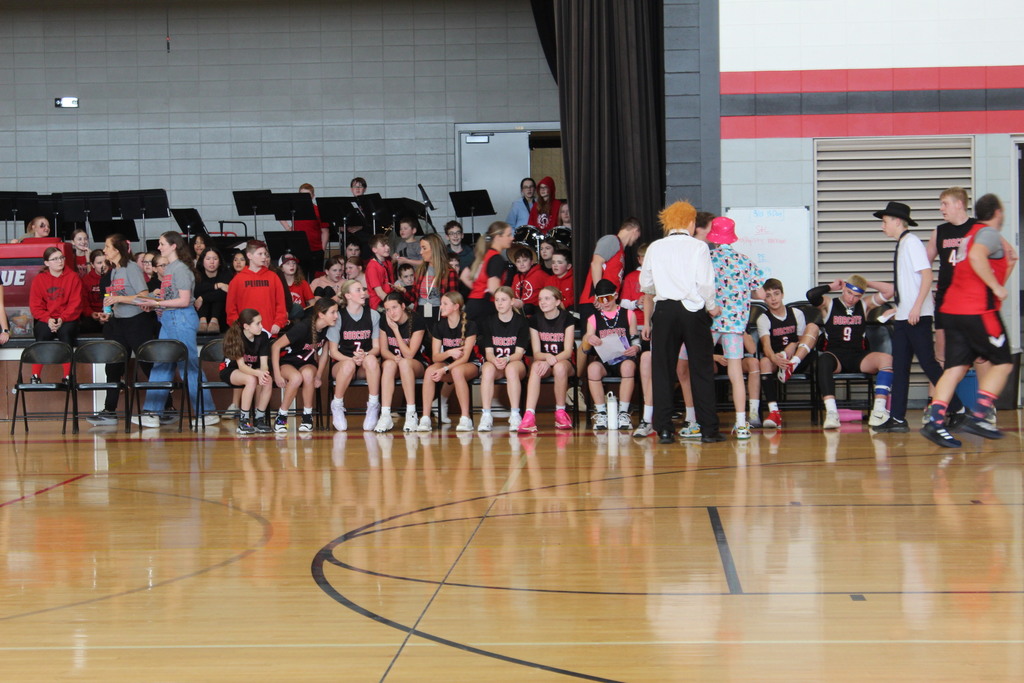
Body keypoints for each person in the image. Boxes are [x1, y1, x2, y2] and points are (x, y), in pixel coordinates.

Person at [921, 193, 1017, 447]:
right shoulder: (988, 233)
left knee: (955, 368)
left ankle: (935, 420)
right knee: (1004, 362)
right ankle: (981, 414)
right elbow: (979, 257)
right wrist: (997, 286)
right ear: (998, 213)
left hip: (951, 309)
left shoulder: (967, 235)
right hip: (976, 309)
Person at [639, 200, 724, 444]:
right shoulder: (698, 247)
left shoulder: (655, 247)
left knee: (663, 370)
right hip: (694, 310)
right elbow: (706, 284)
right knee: (702, 370)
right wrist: (711, 307)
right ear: (689, 222)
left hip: (664, 310)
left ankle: (664, 429)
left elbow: (646, 284)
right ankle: (708, 429)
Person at [871, 202, 947, 433]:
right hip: (906, 316)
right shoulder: (903, 244)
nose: (883, 226)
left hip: (917, 316)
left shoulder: (911, 242)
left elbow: (926, 275)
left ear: (896, 221)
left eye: (884, 221)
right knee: (901, 366)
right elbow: (908, 284)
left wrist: (915, 308)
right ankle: (898, 418)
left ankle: (957, 408)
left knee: (929, 364)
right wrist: (900, 309)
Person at [136, 232, 219, 428]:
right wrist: (155, 304)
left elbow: (183, 301)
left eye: (162, 243)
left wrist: (157, 302)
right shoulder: (172, 269)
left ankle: (207, 412)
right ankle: (152, 412)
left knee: (188, 366)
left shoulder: (180, 269)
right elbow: (172, 298)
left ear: (174, 246)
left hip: (180, 318)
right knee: (162, 364)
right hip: (168, 318)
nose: (159, 247)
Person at [86, 234, 158, 426]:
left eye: (107, 247)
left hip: (137, 322)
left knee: (147, 364)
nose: (105, 250)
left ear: (117, 250)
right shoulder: (114, 270)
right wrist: (107, 312)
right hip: (118, 322)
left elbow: (143, 296)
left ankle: (165, 407)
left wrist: (118, 299)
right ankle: (109, 410)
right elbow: (114, 296)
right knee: (114, 365)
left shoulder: (131, 268)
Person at [805, 275, 893, 430]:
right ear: (844, 289)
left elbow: (890, 290)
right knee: (823, 361)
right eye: (849, 293)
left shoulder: (865, 305)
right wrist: (831, 287)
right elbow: (811, 295)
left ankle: (878, 410)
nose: (852, 298)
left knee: (887, 359)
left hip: (859, 357)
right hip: (836, 356)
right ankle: (832, 412)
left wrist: (866, 282)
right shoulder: (830, 304)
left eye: (857, 296)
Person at [704, 216, 765, 439]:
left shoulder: (707, 259)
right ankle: (741, 424)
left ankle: (697, 419)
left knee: (700, 369)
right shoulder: (745, 261)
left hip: (709, 322)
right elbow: (760, 293)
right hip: (735, 323)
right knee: (736, 373)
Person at [755, 278, 819, 430]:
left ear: (782, 294)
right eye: (769, 295)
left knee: (812, 327)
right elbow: (766, 346)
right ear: (764, 299)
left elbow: (802, 339)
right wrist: (775, 358)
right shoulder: (763, 318)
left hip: (798, 358)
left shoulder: (796, 313)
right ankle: (774, 412)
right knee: (764, 362)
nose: (773, 298)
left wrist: (792, 347)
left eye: (776, 294)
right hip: (779, 360)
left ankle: (792, 364)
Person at [270, 297, 338, 433]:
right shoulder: (303, 327)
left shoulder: (328, 329)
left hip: (307, 363)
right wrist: (276, 374)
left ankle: (307, 416)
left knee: (307, 375)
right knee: (296, 378)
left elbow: (325, 355)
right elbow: (276, 346)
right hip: (288, 362)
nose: (336, 316)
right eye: (333, 312)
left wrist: (318, 376)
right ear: (321, 315)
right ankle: (282, 415)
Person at [927, 186, 977, 365]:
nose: (941, 208)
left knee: (978, 353)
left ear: (959, 204)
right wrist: (926, 291)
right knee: (941, 353)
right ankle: (938, 394)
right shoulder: (939, 232)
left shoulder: (979, 229)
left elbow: (1007, 255)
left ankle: (981, 393)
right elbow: (923, 265)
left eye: (945, 204)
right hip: (946, 298)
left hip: (972, 298)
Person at [418, 291, 479, 432]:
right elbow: (435, 357)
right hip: (448, 365)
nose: (441, 307)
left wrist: (445, 369)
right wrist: (449, 353)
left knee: (457, 371)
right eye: (441, 304)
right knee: (429, 371)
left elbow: (464, 357)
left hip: (469, 365)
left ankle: (466, 418)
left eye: (445, 304)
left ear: (456, 306)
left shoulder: (470, 325)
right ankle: (425, 418)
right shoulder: (439, 326)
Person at [518, 286, 576, 432]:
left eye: (547, 298)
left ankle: (560, 412)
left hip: (563, 362)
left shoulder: (567, 318)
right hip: (544, 362)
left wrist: (553, 359)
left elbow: (568, 351)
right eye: (540, 299)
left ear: (557, 302)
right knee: (536, 366)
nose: (542, 302)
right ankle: (529, 415)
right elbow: (537, 352)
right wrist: (546, 358)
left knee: (559, 367)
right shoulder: (535, 320)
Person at [585, 279, 640, 430]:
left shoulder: (628, 314)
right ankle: (601, 412)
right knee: (592, 369)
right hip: (605, 359)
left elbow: (635, 337)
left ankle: (623, 412)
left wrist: (636, 347)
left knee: (629, 367)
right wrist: (590, 338)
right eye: (601, 299)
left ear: (615, 295)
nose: (605, 302)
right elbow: (586, 341)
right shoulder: (593, 318)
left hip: (624, 358)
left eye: (608, 298)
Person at [326, 280, 381, 432]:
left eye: (363, 289)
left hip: (364, 363)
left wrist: (366, 354)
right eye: (358, 290)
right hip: (343, 363)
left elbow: (377, 348)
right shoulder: (339, 317)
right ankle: (337, 405)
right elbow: (334, 352)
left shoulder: (373, 315)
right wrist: (351, 359)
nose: (363, 292)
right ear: (348, 295)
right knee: (349, 365)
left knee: (371, 359)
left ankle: (373, 405)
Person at [373, 292, 430, 432]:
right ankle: (385, 415)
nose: (391, 313)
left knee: (404, 363)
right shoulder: (383, 321)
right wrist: (393, 358)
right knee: (388, 364)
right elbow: (384, 350)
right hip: (396, 362)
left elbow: (409, 354)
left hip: (417, 364)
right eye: (388, 309)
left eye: (394, 307)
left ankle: (411, 413)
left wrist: (395, 330)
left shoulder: (416, 320)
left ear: (403, 306)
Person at [477, 286, 530, 431]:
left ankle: (514, 415)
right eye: (497, 300)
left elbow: (519, 354)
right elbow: (488, 353)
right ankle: (486, 415)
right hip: (497, 363)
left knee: (512, 369)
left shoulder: (521, 322)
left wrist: (506, 360)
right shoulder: (488, 321)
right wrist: (495, 360)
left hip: (514, 362)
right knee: (487, 368)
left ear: (512, 301)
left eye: (504, 300)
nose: (500, 303)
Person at [28, 246, 83, 381]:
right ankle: (35, 376)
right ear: (47, 263)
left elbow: (75, 304)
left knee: (66, 334)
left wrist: (62, 319)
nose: (60, 261)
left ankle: (68, 376)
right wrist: (48, 319)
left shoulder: (73, 277)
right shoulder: (39, 280)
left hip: (68, 318)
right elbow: (35, 306)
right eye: (55, 259)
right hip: (47, 319)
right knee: (41, 333)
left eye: (61, 258)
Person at [621, 244, 656, 437]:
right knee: (642, 364)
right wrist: (637, 303)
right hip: (639, 327)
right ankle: (645, 411)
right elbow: (624, 302)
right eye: (643, 258)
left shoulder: (660, 275)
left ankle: (655, 408)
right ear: (639, 259)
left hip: (657, 326)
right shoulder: (631, 277)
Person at [579, 218, 642, 323]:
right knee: (591, 338)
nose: (637, 239)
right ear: (635, 230)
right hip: (595, 303)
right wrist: (599, 295)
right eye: (638, 235)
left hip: (606, 303)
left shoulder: (621, 250)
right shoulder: (612, 240)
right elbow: (595, 264)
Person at [221, 309, 274, 434]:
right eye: (258, 323)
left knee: (268, 380)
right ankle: (243, 420)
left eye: (261, 322)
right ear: (246, 326)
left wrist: (263, 373)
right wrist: (258, 374)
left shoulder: (263, 336)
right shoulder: (236, 337)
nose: (262, 326)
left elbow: (264, 364)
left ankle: (258, 418)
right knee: (250, 380)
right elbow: (241, 366)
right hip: (231, 370)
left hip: (253, 370)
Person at [225, 240, 288, 337]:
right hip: (245, 333)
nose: (264, 257)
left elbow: (280, 304)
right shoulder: (237, 280)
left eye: (265, 254)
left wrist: (278, 322)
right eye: (260, 254)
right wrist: (238, 326)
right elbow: (231, 308)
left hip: (270, 331)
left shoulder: (273, 277)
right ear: (249, 256)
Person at [461, 220, 513, 321]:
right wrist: (510, 301)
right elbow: (493, 288)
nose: (512, 238)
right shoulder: (496, 259)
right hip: (485, 307)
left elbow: (464, 275)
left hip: (473, 303)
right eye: (509, 235)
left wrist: (478, 288)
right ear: (498, 237)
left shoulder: (484, 255)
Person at [278, 183, 328, 277]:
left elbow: (325, 231)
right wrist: (288, 228)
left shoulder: (318, 210)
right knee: (300, 278)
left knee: (316, 278)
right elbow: (280, 213)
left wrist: (322, 249)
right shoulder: (295, 210)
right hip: (299, 250)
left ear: (313, 196)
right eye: (302, 195)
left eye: (307, 195)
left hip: (315, 250)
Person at [413, 233, 457, 319]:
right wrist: (403, 291)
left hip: (439, 314)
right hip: (420, 311)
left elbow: (453, 300)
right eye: (421, 248)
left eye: (424, 248)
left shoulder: (449, 272)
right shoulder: (420, 270)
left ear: (434, 249)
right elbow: (413, 297)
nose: (421, 252)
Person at [194, 248, 231, 334]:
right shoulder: (197, 274)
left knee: (217, 298)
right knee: (206, 295)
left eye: (215, 259)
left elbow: (224, 294)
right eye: (208, 259)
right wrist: (217, 285)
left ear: (220, 261)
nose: (212, 262)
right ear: (202, 261)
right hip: (200, 312)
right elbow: (197, 290)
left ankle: (214, 321)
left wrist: (203, 298)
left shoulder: (226, 273)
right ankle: (202, 321)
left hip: (222, 315)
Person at [509, 245, 549, 316]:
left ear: (531, 262)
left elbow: (551, 291)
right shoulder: (516, 277)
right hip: (520, 310)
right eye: (518, 261)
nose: (521, 264)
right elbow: (512, 293)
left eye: (525, 260)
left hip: (536, 310)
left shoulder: (540, 274)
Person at [78, 249, 108, 334]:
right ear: (92, 265)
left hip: (111, 314)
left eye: (106, 262)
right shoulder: (86, 280)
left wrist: (108, 314)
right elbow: (84, 303)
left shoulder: (114, 276)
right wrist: (92, 314)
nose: (104, 265)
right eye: (99, 263)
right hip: (93, 315)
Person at [365, 234, 398, 310]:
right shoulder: (372, 267)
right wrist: (392, 306)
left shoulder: (388, 262)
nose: (387, 247)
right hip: (378, 303)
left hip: (389, 297)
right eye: (383, 245)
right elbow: (379, 293)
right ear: (374, 250)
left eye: (387, 244)